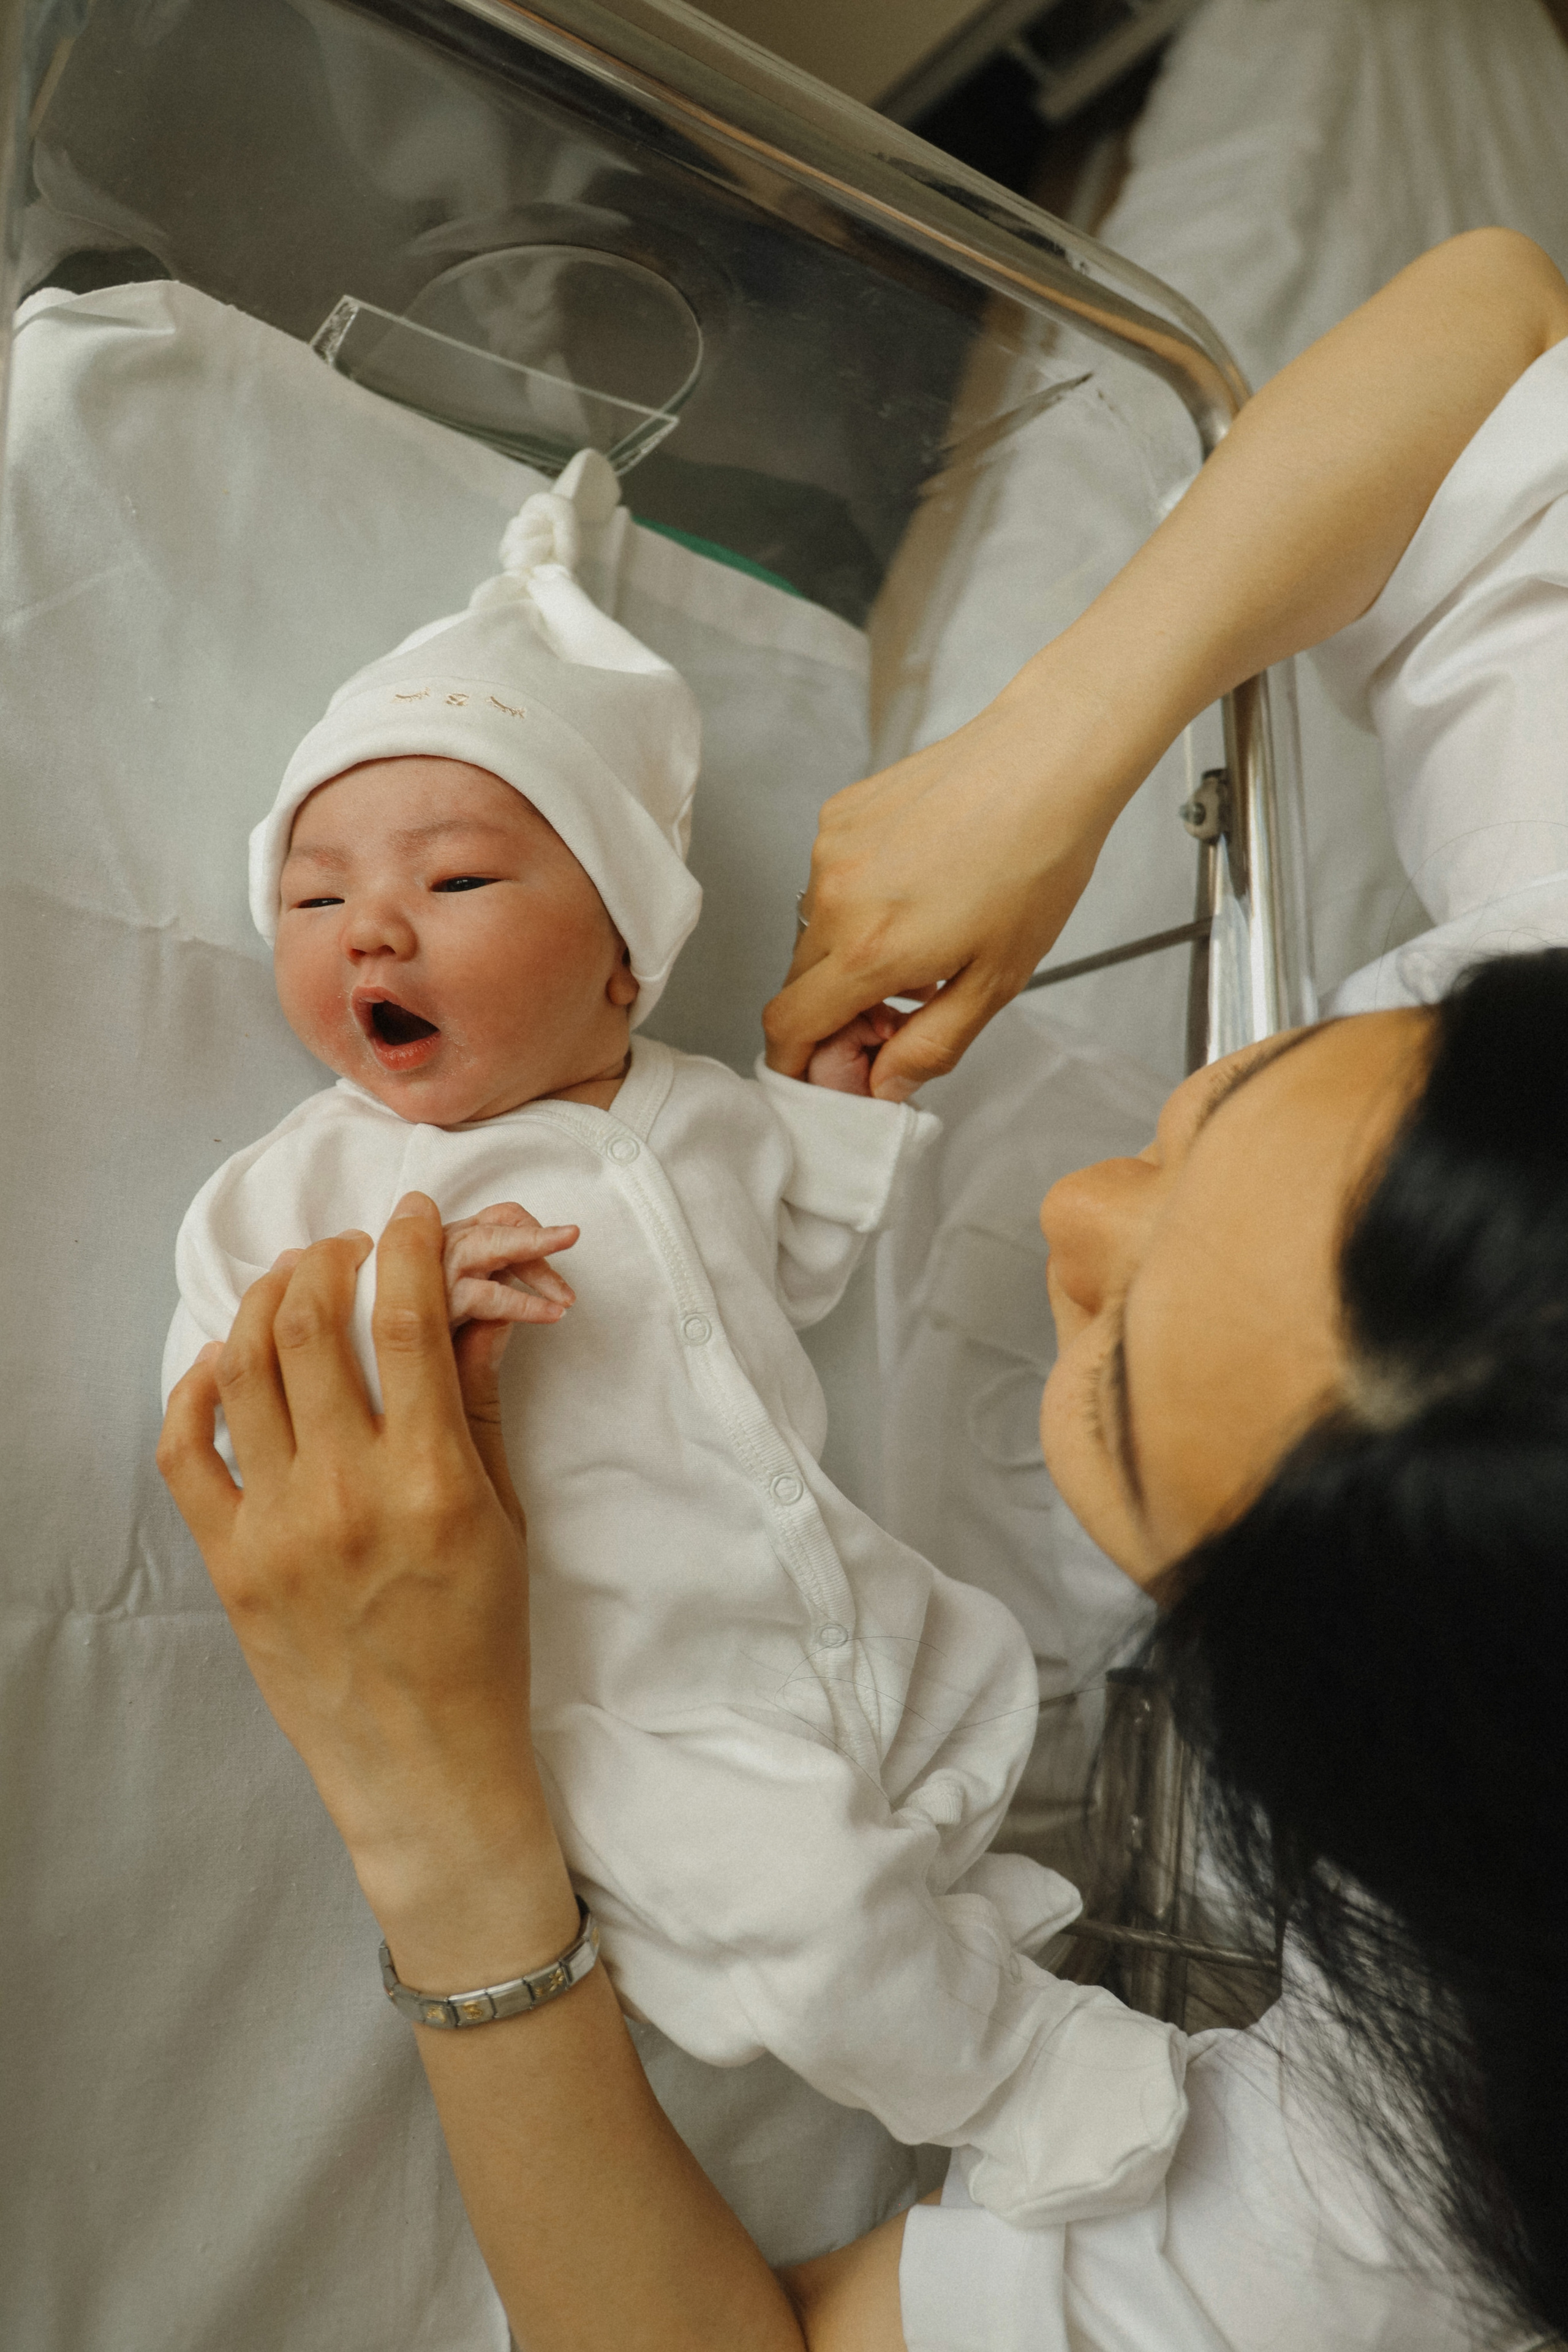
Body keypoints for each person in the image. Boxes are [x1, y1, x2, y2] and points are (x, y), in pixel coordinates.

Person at [158, 227, 1568, 2346]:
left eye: (1107, 1373)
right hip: (675, 1693)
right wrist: (1060, 742)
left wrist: (438, 1811)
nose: (1075, 1204)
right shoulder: (311, 1178)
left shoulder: (1437, 2168)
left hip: (775, 1689)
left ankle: (1017, 2060)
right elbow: (1495, 325)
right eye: (1240, 1098)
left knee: (847, 1878)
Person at [162, 448, 1185, 2256]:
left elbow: (787, 1268)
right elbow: (233, 1404)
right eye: (314, 902)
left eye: (452, 879)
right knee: (802, 1901)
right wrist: (395, 1322)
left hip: (840, 1611)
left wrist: (829, 1108)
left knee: (963, 1737)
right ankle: (1021, 2083)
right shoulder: (316, 1183)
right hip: (620, 1700)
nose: (369, 926)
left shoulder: (699, 1111)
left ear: (624, 961)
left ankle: (960, 1941)